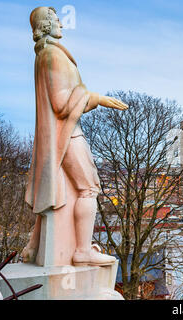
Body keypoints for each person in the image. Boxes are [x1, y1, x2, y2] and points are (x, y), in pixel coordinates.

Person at [22, 7, 128, 266]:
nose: (61, 23)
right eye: (56, 19)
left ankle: (35, 247)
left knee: (56, 191)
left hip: (58, 136)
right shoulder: (52, 56)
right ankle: (82, 251)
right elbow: (61, 104)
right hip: (67, 135)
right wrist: (97, 98)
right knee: (89, 188)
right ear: (46, 26)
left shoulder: (46, 55)